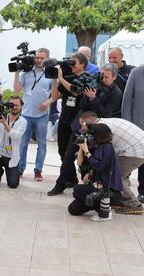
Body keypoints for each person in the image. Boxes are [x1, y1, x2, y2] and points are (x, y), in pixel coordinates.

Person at [69, 112, 144, 215]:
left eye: (83, 125)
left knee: (116, 175)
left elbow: (101, 163)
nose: (82, 129)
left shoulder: (102, 131)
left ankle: (133, 204)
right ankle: (117, 200)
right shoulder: (103, 126)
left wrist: (86, 150)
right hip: (135, 147)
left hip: (136, 150)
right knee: (115, 173)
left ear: (91, 122)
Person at [47, 52, 90, 196]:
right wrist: (55, 79)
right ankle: (71, 178)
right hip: (64, 119)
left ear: (82, 64)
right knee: (61, 152)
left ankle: (61, 184)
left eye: (74, 62)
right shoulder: (66, 78)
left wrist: (60, 78)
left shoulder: (87, 78)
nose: (72, 65)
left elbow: (76, 91)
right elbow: (54, 96)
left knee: (69, 154)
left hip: (77, 122)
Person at [13, 48, 57, 181]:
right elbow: (17, 89)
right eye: (37, 57)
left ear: (47, 59)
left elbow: (55, 95)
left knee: (42, 144)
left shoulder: (50, 73)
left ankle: (38, 170)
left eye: (41, 58)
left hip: (42, 115)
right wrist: (16, 71)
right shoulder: (26, 72)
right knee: (23, 143)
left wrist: (47, 102)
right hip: (26, 114)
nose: (38, 60)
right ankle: (20, 169)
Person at [68, 123, 123, 221]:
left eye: (91, 134)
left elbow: (99, 165)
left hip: (109, 191)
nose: (90, 137)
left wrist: (87, 151)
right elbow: (80, 162)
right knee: (73, 209)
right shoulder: (100, 147)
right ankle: (98, 205)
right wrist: (82, 148)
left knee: (77, 190)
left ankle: (105, 212)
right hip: (98, 188)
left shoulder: (107, 147)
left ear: (98, 136)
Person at [0, 96, 27, 188]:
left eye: (17, 105)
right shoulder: (1, 116)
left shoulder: (23, 122)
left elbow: (15, 136)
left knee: (13, 184)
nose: (14, 107)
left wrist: (5, 123)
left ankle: (10, 173)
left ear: (21, 107)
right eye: (12, 105)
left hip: (11, 156)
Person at [122, 65, 144, 203]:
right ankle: (143, 191)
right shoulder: (137, 73)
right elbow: (127, 101)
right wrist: (128, 125)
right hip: (139, 126)